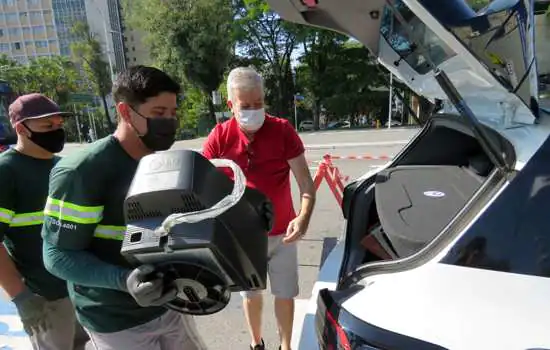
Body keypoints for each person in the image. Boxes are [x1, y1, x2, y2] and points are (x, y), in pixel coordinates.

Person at [41, 66, 207, 350]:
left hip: (170, 305)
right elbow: (56, 255)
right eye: (158, 113)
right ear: (126, 112)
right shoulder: (82, 172)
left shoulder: (164, 165)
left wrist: (247, 218)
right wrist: (123, 280)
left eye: (172, 113)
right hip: (115, 321)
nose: (169, 122)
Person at [202, 67, 316, 350]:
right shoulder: (220, 136)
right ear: (231, 105)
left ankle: (286, 346)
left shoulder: (282, 130)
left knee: (285, 293)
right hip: (242, 236)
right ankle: (256, 344)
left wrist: (303, 218)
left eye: (259, 104)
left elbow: (306, 183)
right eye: (245, 106)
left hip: (283, 232)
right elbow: (201, 183)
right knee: (250, 295)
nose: (254, 111)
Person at [0, 93, 88, 349]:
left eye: (59, 125)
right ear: (21, 129)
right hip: (44, 298)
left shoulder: (64, 167)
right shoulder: (7, 172)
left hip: (80, 288)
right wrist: (21, 296)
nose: (56, 132)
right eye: (47, 127)